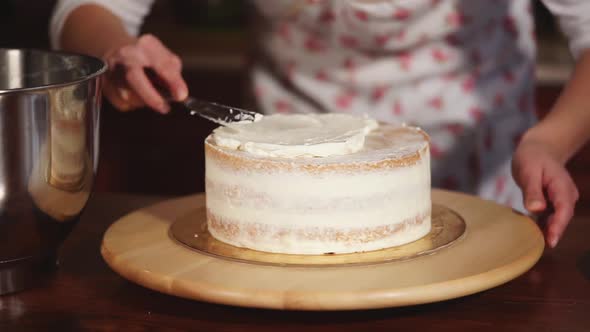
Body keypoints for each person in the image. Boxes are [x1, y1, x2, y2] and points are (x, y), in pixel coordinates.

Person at [50, 0, 590, 248]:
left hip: (488, 163)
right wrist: (113, 49)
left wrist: (551, 139)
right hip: (282, 156)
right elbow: (88, 10)